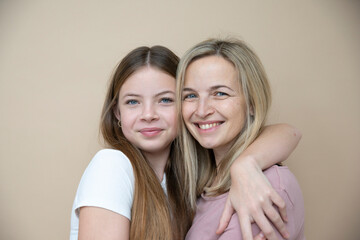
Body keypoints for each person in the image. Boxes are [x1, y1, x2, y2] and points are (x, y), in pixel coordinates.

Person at [70, 45, 301, 240]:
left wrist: (246, 164)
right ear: (117, 113)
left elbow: (291, 132)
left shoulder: (189, 184)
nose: (148, 114)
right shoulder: (112, 166)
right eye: (132, 102)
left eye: (166, 100)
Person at [176, 38, 305, 240]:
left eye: (220, 93)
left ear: (252, 103)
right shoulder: (202, 184)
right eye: (190, 96)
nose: (201, 111)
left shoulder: (265, 188)